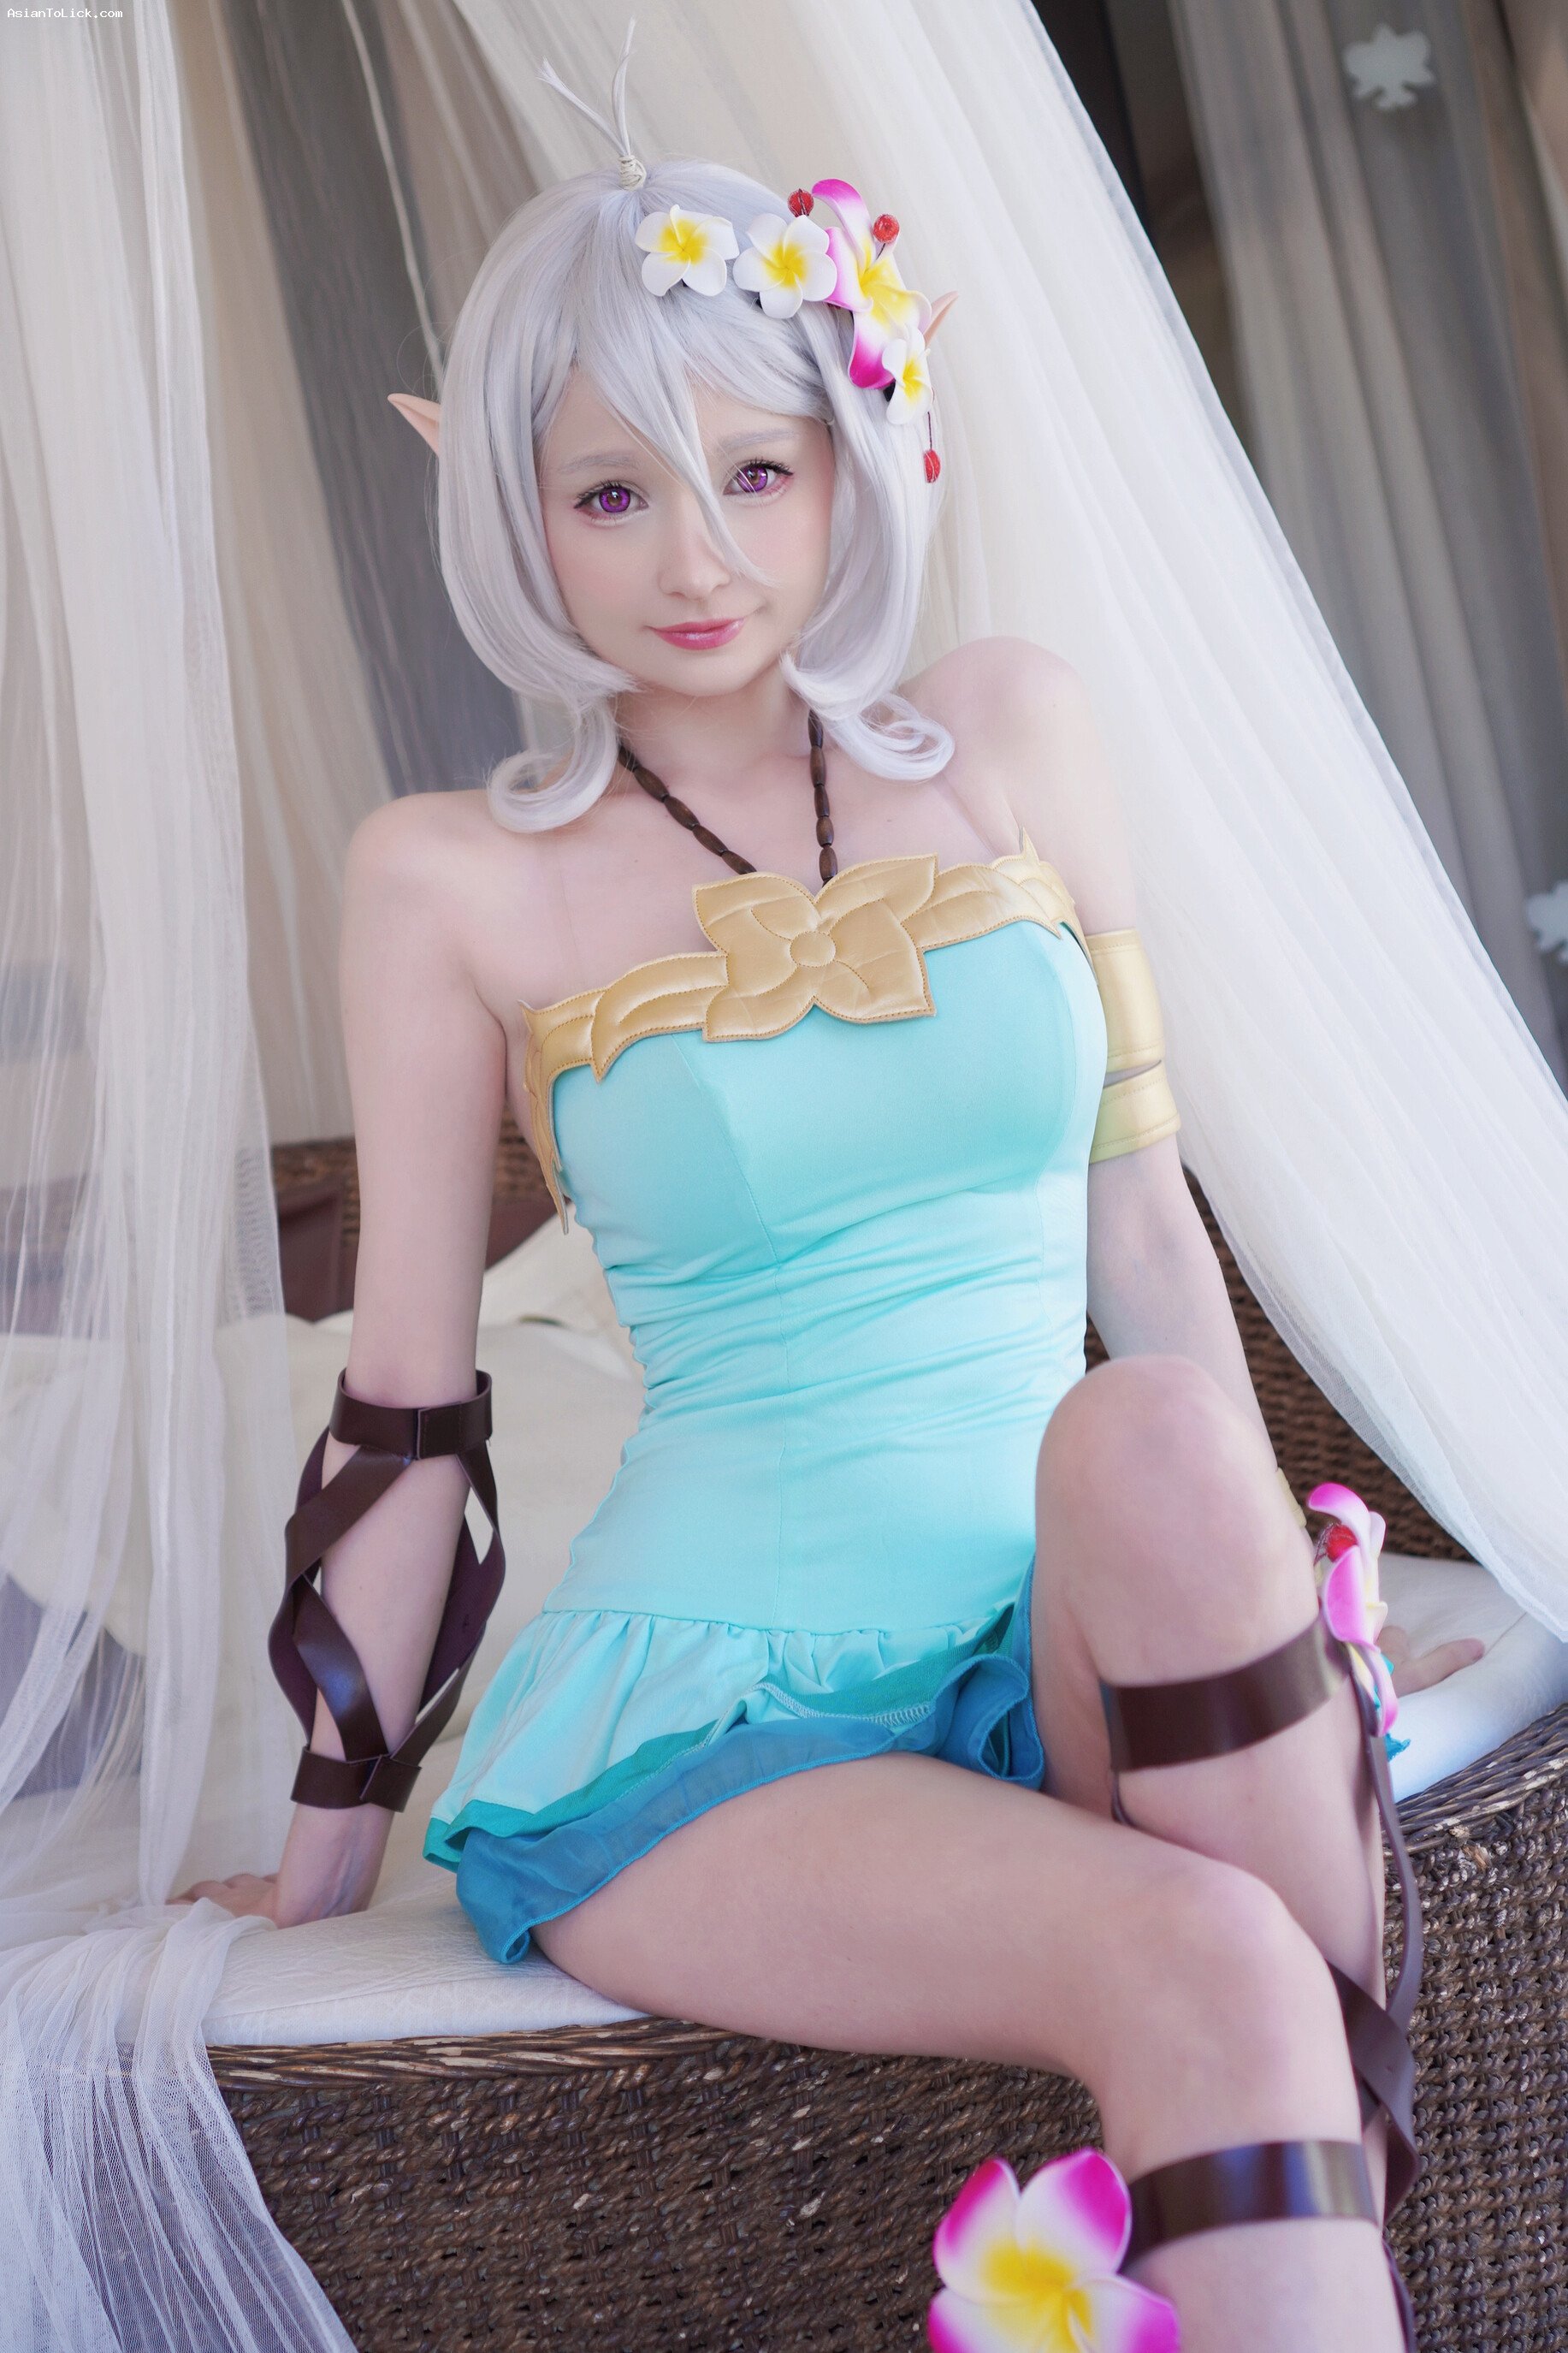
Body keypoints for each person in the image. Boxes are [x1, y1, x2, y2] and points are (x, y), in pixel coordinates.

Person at [177, 98, 1482, 2351]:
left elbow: (1144, 1240)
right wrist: (318, 1871)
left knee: (1154, 1437)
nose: (698, 556)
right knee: (1208, 1956)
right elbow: (408, 1411)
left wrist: (1285, 1637)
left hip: (1056, 1627)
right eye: (612, 492)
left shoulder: (1008, 735)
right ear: (513, 516)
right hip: (706, 1725)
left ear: (855, 457)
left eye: (757, 471)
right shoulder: (451, 880)